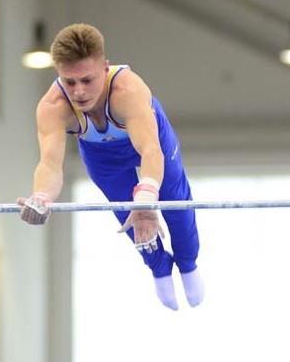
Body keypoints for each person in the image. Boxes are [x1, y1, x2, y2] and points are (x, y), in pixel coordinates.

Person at [17, 23, 204, 310]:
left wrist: (147, 195)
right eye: (69, 82)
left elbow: (150, 150)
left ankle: (188, 263)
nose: (79, 92)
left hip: (150, 141)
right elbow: (50, 164)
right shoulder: (52, 107)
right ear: (58, 75)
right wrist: (41, 196)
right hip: (101, 155)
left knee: (174, 201)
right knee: (129, 216)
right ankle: (159, 268)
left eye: (87, 80)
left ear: (105, 68)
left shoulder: (127, 90)